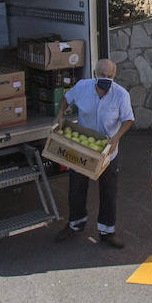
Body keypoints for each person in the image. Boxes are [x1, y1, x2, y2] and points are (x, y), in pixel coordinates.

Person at [55, 58, 134, 247]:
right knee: (77, 187)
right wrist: (60, 115)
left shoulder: (121, 94)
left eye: (110, 76)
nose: (106, 79)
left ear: (114, 76)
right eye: (103, 76)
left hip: (108, 151)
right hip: (83, 149)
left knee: (108, 191)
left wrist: (116, 138)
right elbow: (66, 98)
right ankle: (75, 224)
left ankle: (107, 232)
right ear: (94, 75)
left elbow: (128, 119)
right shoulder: (82, 87)